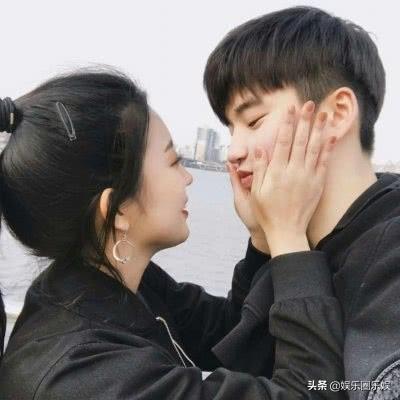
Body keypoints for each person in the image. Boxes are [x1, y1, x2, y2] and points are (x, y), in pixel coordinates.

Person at [0, 69, 343, 399]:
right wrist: (288, 236)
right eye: (173, 161)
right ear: (118, 209)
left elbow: (231, 333)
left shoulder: (113, 284)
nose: (187, 177)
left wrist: (262, 238)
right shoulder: (84, 378)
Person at [204, 5, 398, 399]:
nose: (234, 151)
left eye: (254, 121)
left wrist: (287, 239)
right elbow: (251, 363)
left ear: (337, 114)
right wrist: (265, 239)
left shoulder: (389, 249)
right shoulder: (311, 240)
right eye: (230, 129)